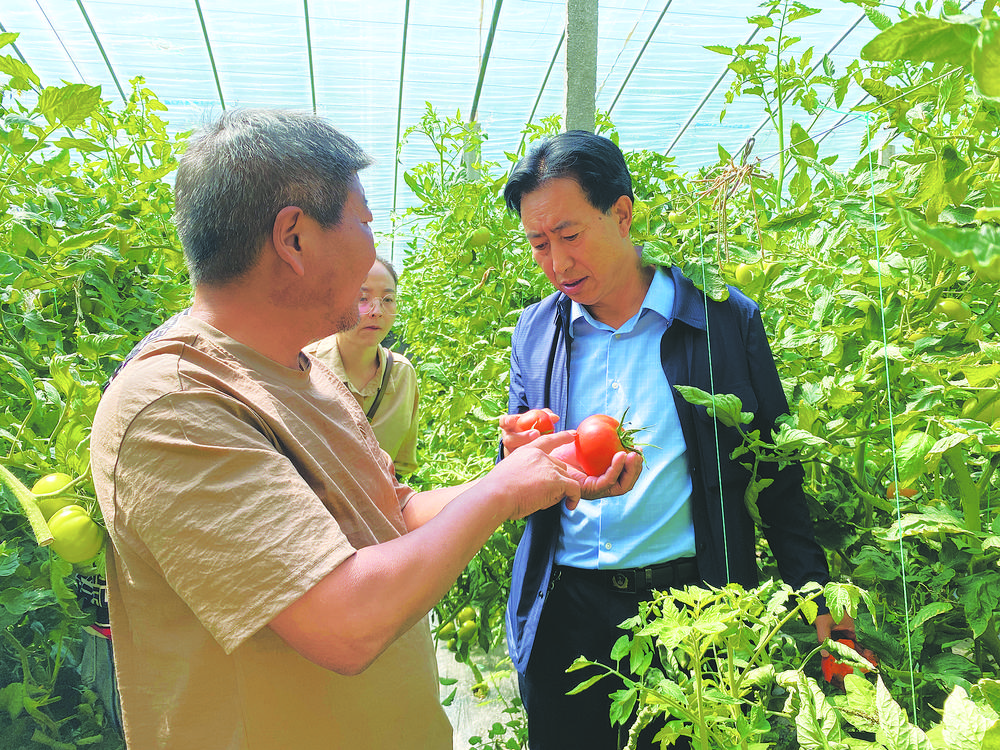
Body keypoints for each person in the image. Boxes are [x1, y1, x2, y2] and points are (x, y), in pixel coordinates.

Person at [89, 110, 642, 750]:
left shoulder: (304, 372)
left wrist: (526, 476)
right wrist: (501, 495)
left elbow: (392, 512)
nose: (373, 253)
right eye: (364, 224)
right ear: (294, 238)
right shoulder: (177, 407)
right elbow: (344, 623)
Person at [498, 130, 852, 749]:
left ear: (623, 212)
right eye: (538, 244)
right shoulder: (535, 331)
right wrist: (515, 455)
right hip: (567, 612)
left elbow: (774, 463)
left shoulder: (721, 320)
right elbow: (522, 467)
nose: (556, 263)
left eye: (570, 236)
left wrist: (813, 591)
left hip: (690, 608)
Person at [307, 256, 420, 476]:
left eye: (388, 299)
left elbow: (401, 468)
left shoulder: (402, 374)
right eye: (362, 298)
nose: (376, 310)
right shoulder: (302, 367)